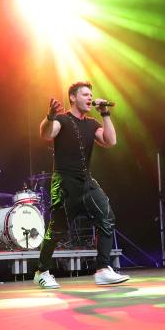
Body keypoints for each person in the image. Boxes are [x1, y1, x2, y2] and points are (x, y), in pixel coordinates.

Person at [33, 82, 130, 289]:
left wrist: (105, 114)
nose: (89, 98)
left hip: (86, 182)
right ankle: (42, 271)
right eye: (85, 94)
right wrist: (49, 116)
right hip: (65, 183)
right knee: (57, 229)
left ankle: (102, 269)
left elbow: (111, 141)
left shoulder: (92, 123)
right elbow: (46, 134)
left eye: (91, 95)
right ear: (72, 97)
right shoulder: (61, 119)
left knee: (106, 217)